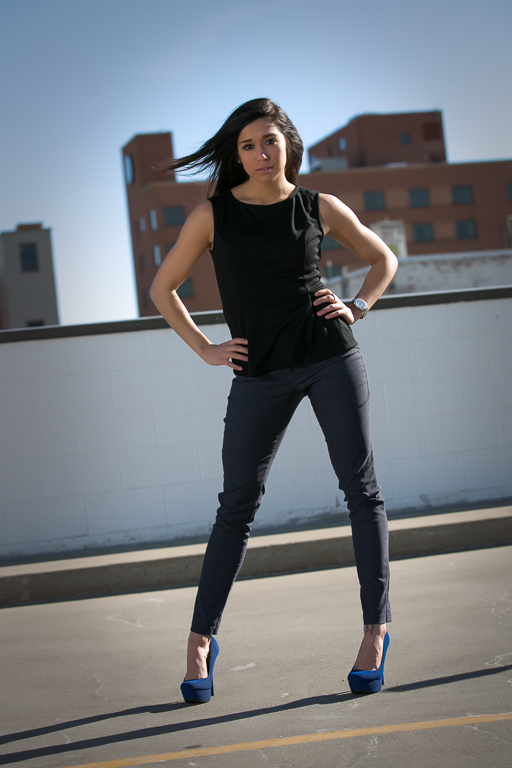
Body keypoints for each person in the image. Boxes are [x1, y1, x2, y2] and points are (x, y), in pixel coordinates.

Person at [150, 98, 398, 703]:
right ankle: (200, 643)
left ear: (288, 143)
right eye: (248, 145)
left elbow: (383, 258)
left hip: (330, 357)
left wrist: (357, 307)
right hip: (257, 373)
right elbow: (163, 288)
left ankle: (375, 633)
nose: (260, 153)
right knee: (236, 506)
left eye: (269, 141)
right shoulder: (212, 215)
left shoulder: (318, 206)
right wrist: (206, 349)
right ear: (237, 155)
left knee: (361, 492)